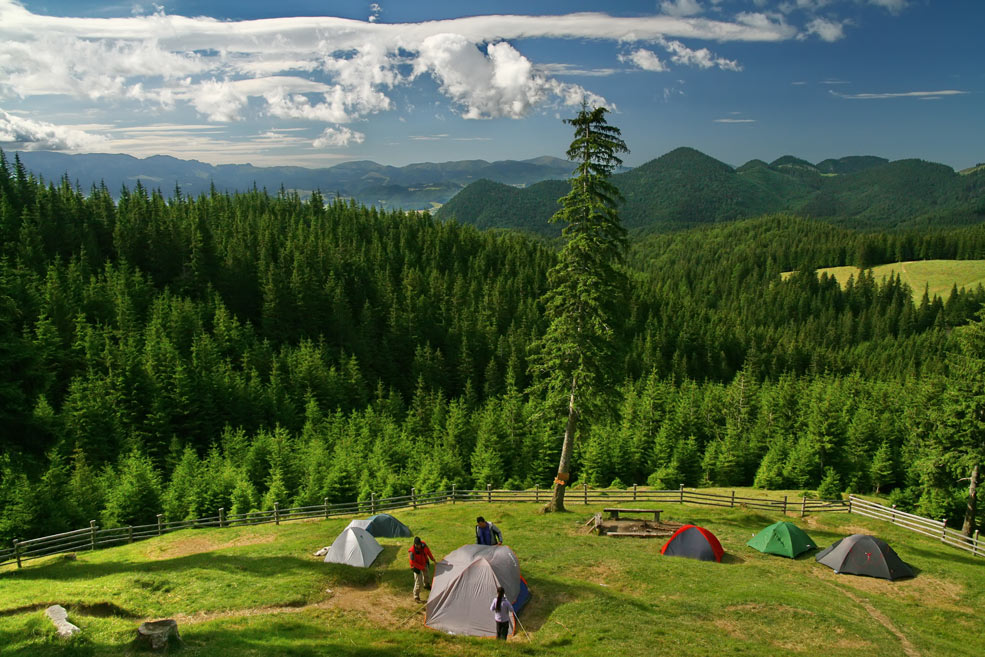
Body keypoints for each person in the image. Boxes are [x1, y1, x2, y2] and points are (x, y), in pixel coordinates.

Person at [408, 536, 436, 603]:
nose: (419, 546)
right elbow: (413, 563)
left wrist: (432, 559)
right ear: (415, 544)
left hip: (424, 563)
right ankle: (416, 596)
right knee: (418, 582)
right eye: (418, 545)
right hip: (416, 567)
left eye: (419, 544)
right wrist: (421, 568)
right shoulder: (412, 551)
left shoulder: (424, 545)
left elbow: (428, 551)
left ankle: (426, 585)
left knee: (426, 575)